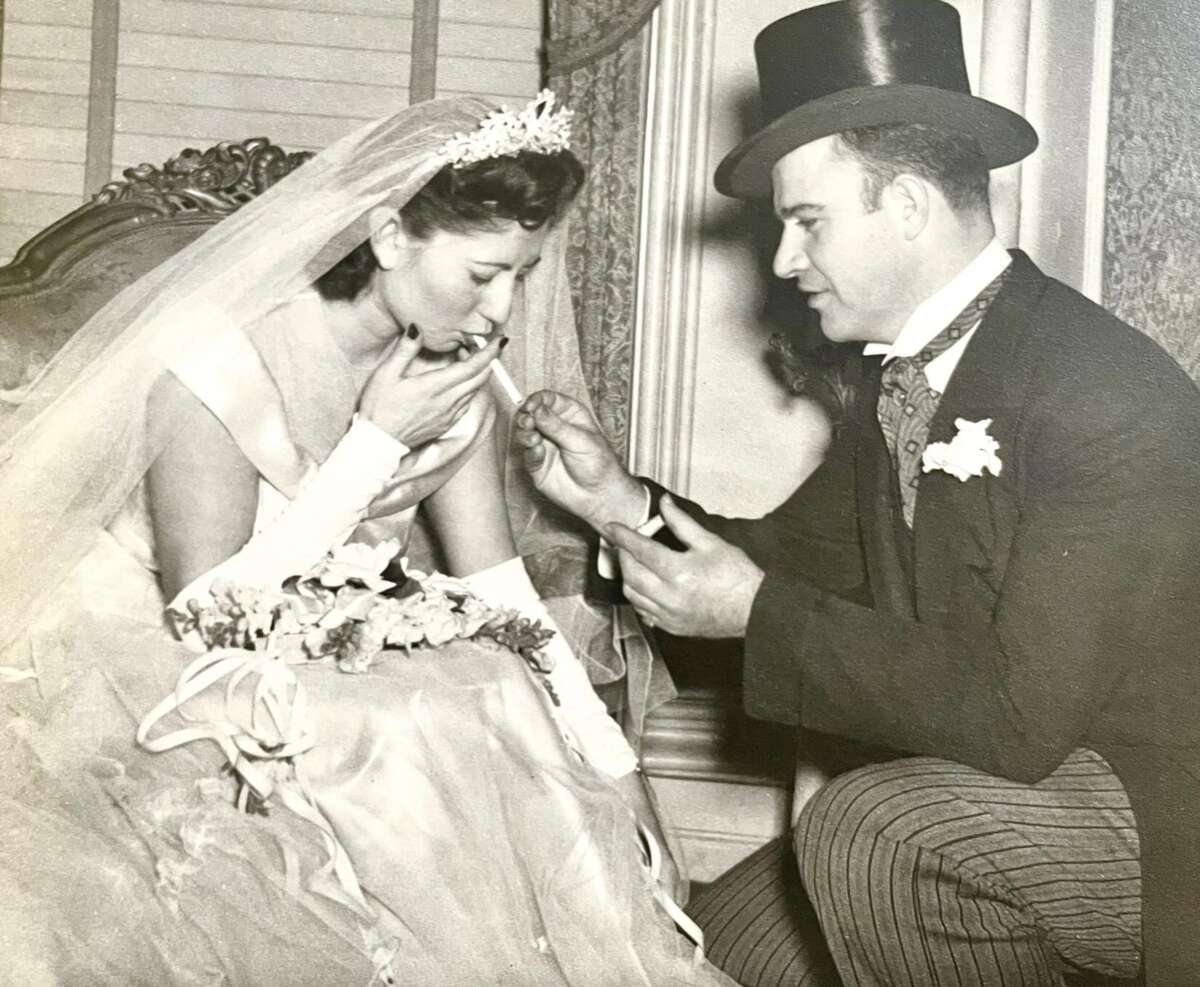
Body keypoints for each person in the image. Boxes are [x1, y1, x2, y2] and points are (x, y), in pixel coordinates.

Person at [514, 2, 1200, 984]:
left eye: (806, 223)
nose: (786, 262)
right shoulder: (908, 380)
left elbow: (1017, 715)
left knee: (875, 838)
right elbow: (791, 565)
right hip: (1010, 791)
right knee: (702, 945)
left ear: (910, 207)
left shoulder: (1103, 392)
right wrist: (618, 504)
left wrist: (749, 609)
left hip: (1161, 824)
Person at [0, 94, 733, 985]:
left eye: (522, 273)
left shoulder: (453, 364)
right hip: (154, 660)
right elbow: (203, 618)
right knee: (395, 727)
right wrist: (376, 440)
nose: (502, 307)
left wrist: (616, 767)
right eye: (482, 272)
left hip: (324, 646)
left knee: (495, 692)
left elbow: (500, 587)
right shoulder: (218, 363)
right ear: (387, 237)